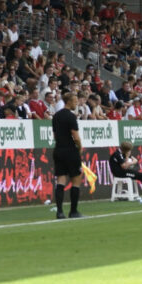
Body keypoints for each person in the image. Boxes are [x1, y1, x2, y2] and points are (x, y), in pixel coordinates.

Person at [51, 91, 84, 219]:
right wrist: (80, 147)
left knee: (60, 180)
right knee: (76, 179)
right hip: (70, 150)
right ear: (69, 101)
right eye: (75, 101)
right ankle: (73, 211)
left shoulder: (56, 116)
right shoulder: (71, 117)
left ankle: (59, 211)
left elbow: (54, 135)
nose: (76, 103)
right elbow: (75, 136)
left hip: (58, 149)